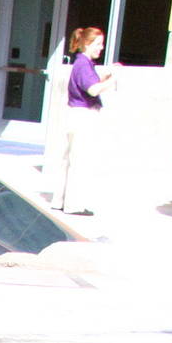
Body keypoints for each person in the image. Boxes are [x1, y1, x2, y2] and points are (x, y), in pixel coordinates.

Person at [53, 26, 117, 216]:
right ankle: (74, 205)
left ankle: (60, 201)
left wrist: (104, 77)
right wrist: (112, 81)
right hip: (83, 116)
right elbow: (93, 90)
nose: (101, 47)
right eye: (98, 44)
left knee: (68, 160)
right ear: (87, 44)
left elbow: (89, 83)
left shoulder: (81, 64)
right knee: (78, 161)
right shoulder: (83, 64)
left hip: (74, 115)